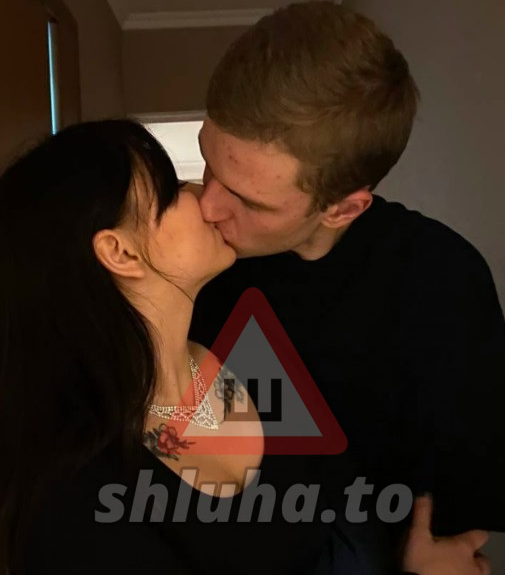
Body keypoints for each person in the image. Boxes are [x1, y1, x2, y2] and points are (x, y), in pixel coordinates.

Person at [0, 120, 488, 575]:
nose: (205, 199)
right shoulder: (70, 494)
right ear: (120, 252)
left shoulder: (243, 353)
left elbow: (337, 513)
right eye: (173, 189)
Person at [187, 1, 505, 562]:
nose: (207, 206)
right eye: (208, 160)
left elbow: (457, 522)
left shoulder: (442, 285)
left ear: (342, 209)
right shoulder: (192, 255)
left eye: (250, 201)